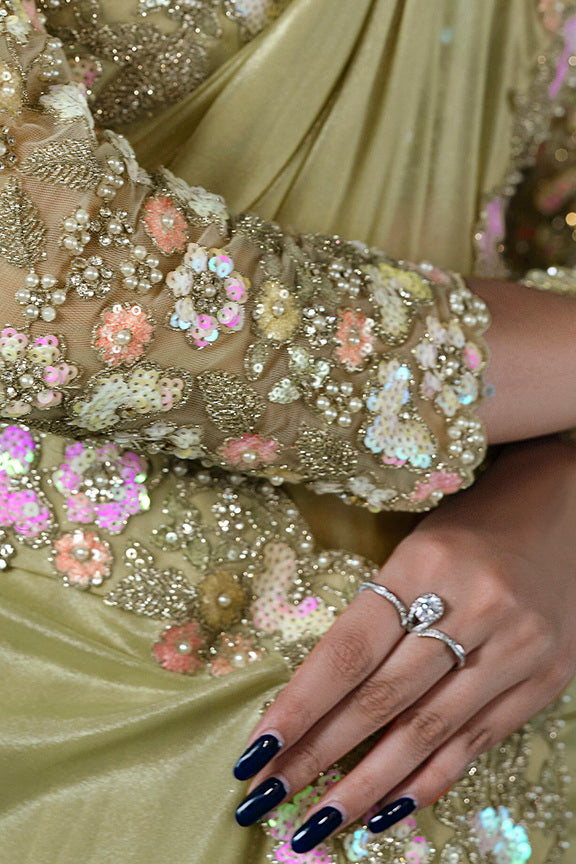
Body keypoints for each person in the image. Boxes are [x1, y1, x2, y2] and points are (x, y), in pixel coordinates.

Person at [0, 1, 575, 862]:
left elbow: (552, 199)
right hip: (61, 686)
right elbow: (38, 265)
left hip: (477, 666)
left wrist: (559, 486)